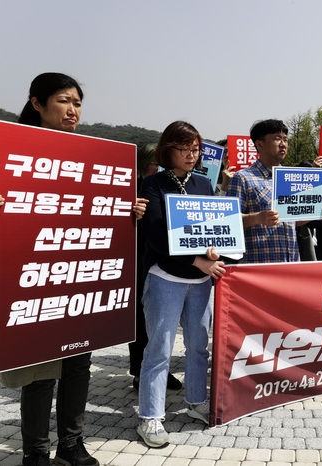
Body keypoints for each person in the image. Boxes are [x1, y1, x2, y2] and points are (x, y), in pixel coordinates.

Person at [0, 72, 146, 466]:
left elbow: (97, 213)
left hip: (80, 279)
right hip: (39, 280)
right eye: (63, 101)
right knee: (39, 372)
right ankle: (35, 453)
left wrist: (130, 213)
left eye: (77, 102)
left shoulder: (93, 156)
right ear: (37, 102)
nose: (73, 110)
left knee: (78, 364)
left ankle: (72, 444)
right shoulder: (14, 148)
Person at [137, 121, 226, 447]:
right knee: (159, 350)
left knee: (199, 346)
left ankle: (195, 401)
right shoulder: (153, 184)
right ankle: (150, 416)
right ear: (167, 149)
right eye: (184, 148)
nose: (192, 154)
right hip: (166, 280)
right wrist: (198, 261)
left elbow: (215, 226)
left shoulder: (204, 184)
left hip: (201, 283)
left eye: (196, 148)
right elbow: (158, 236)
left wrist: (215, 251)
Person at [226, 119, 322, 263]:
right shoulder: (243, 178)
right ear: (259, 144)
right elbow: (229, 221)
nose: (283, 144)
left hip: (290, 264)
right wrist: (258, 218)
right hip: (258, 265)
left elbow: (292, 221)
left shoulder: (291, 179)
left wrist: (316, 213)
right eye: (277, 139)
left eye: (285, 140)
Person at [128, 145, 183, 392]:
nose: (160, 169)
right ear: (143, 166)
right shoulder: (131, 187)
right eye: (155, 164)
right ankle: (140, 370)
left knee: (157, 321)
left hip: (163, 263)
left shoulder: (171, 186)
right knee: (140, 317)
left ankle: (159, 370)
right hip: (137, 260)